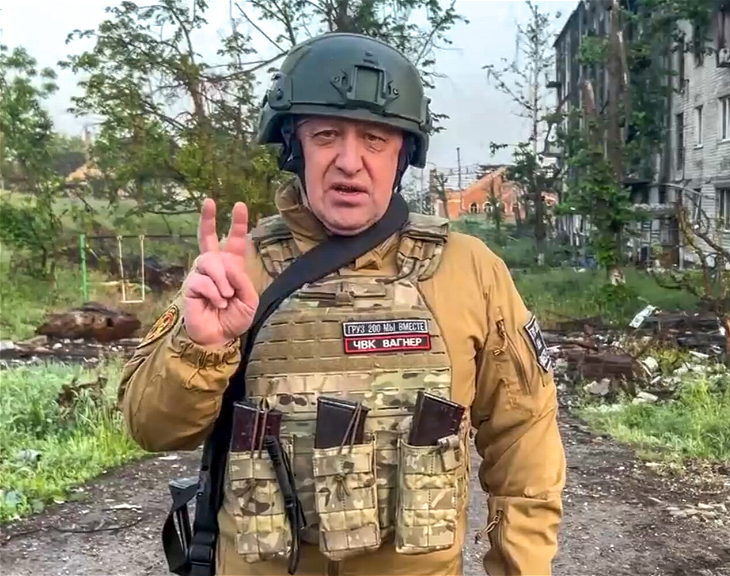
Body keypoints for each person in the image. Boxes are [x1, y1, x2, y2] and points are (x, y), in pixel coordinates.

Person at [118, 32, 566, 576]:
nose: (350, 162)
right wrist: (202, 348)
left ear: (403, 154)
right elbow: (152, 428)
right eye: (326, 135)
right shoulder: (239, 269)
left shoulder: (470, 272)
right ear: (294, 146)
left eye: (375, 139)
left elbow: (525, 438)